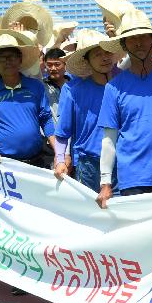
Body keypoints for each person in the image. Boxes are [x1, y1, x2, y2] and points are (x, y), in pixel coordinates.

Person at [96, 10, 152, 208]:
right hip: (134, 179)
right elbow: (109, 138)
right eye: (132, 39)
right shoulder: (113, 87)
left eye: (143, 37)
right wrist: (105, 182)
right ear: (124, 45)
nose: (138, 43)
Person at [0, 35, 55, 169]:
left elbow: (46, 119)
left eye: (12, 56)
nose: (7, 61)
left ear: (20, 59)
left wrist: (60, 154)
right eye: (2, 57)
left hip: (37, 161)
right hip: (2, 164)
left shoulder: (36, 86)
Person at [53, 30, 118, 191]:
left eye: (107, 52)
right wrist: (60, 159)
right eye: (97, 54)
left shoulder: (124, 87)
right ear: (86, 60)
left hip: (121, 161)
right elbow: (63, 132)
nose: (104, 57)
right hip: (89, 164)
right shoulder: (74, 92)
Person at [42, 48, 70, 125]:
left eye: (57, 64)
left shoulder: (74, 85)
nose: (53, 68)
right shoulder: (42, 86)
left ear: (65, 64)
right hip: (50, 135)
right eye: (49, 65)